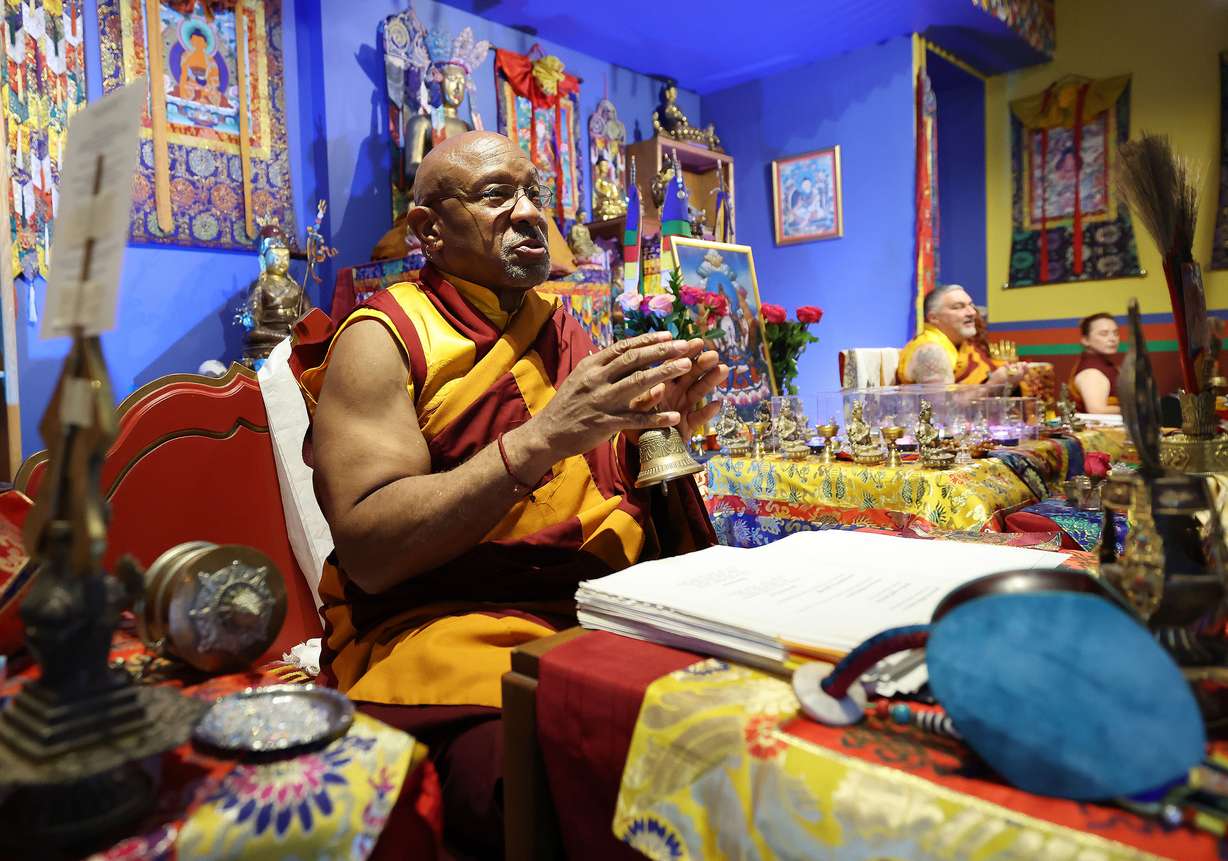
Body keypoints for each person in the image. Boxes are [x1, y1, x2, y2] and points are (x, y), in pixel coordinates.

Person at [291, 131, 726, 858]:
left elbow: (597, 482)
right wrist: (540, 439)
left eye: (534, 193)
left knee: (729, 725)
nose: (530, 214)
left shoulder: (561, 323)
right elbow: (369, 546)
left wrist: (658, 422)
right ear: (429, 229)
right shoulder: (385, 336)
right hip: (450, 627)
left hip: (599, 611)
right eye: (498, 195)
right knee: (532, 781)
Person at [898, 284, 1025, 386]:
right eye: (958, 307)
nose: (971, 312)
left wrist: (1009, 380)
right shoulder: (930, 351)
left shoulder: (964, 345)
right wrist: (992, 385)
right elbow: (940, 409)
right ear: (933, 318)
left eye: (971, 305)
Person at [1069, 312, 1121, 414]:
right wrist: (1139, 409)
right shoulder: (1091, 371)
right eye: (1104, 334)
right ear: (1085, 340)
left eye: (1116, 333)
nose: (1113, 339)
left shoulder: (1105, 364)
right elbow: (1096, 410)